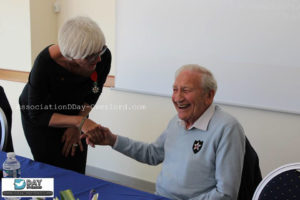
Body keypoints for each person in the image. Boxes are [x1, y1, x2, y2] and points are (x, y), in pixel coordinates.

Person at [82, 64, 246, 199]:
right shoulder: (177, 121)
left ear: (209, 96)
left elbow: (225, 194)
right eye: (175, 89)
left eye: (186, 90)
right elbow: (153, 154)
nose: (177, 98)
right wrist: (112, 140)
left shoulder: (227, 128)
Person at [19, 16, 111, 174]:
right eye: (91, 56)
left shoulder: (102, 57)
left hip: (75, 112)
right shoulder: (44, 65)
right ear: (72, 55)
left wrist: (77, 124)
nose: (99, 59)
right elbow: (37, 114)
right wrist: (79, 121)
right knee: (50, 170)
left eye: (100, 51)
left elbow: (93, 94)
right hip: (41, 117)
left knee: (76, 166)